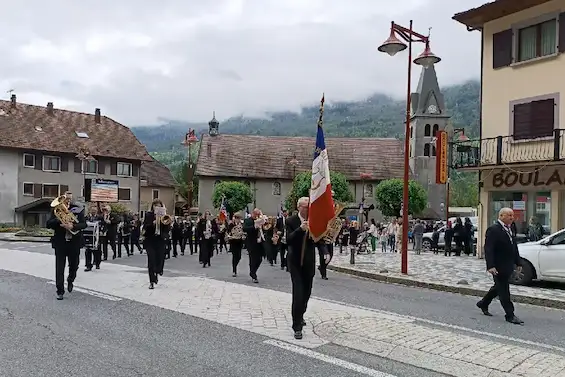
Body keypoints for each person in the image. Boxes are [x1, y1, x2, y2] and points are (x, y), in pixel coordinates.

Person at [286, 197, 329, 340]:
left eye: (309, 206)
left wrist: (325, 252)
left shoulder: (313, 220)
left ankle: (300, 314)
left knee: (306, 293)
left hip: (309, 262)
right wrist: (300, 229)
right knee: (298, 294)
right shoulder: (291, 221)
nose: (307, 209)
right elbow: (289, 240)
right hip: (295, 263)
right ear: (299, 207)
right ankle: (296, 326)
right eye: (305, 207)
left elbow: (319, 239)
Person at [476, 207, 523, 325]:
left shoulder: (511, 228)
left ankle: (484, 303)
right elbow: (489, 249)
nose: (512, 218)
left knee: (498, 287)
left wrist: (518, 262)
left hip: (508, 264)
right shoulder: (493, 230)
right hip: (498, 266)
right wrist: (490, 266)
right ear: (501, 216)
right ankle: (510, 314)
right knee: (504, 290)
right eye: (509, 215)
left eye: (512, 215)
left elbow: (513, 246)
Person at [46, 194, 87, 300]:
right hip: (60, 243)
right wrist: (60, 220)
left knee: (74, 265)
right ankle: (60, 291)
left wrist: (72, 226)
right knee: (59, 267)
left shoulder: (78, 209)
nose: (67, 201)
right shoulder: (56, 211)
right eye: (65, 199)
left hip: (74, 243)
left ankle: (70, 279)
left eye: (69, 199)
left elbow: (84, 224)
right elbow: (48, 224)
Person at [142, 199, 170, 289]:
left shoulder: (164, 216)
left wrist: (165, 222)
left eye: (159, 205)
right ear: (153, 206)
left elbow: (167, 229)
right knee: (151, 260)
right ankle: (151, 281)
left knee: (160, 259)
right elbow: (145, 227)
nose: (157, 207)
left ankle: (158, 271)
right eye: (155, 205)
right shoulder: (148, 215)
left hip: (160, 240)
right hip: (150, 240)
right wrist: (152, 224)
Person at [243, 209, 265, 283]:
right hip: (251, 243)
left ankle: (253, 271)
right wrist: (254, 227)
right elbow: (245, 229)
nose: (257, 216)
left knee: (259, 259)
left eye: (258, 214)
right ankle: (253, 274)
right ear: (253, 213)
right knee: (253, 259)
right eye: (256, 214)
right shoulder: (248, 220)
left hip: (260, 242)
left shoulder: (261, 220)